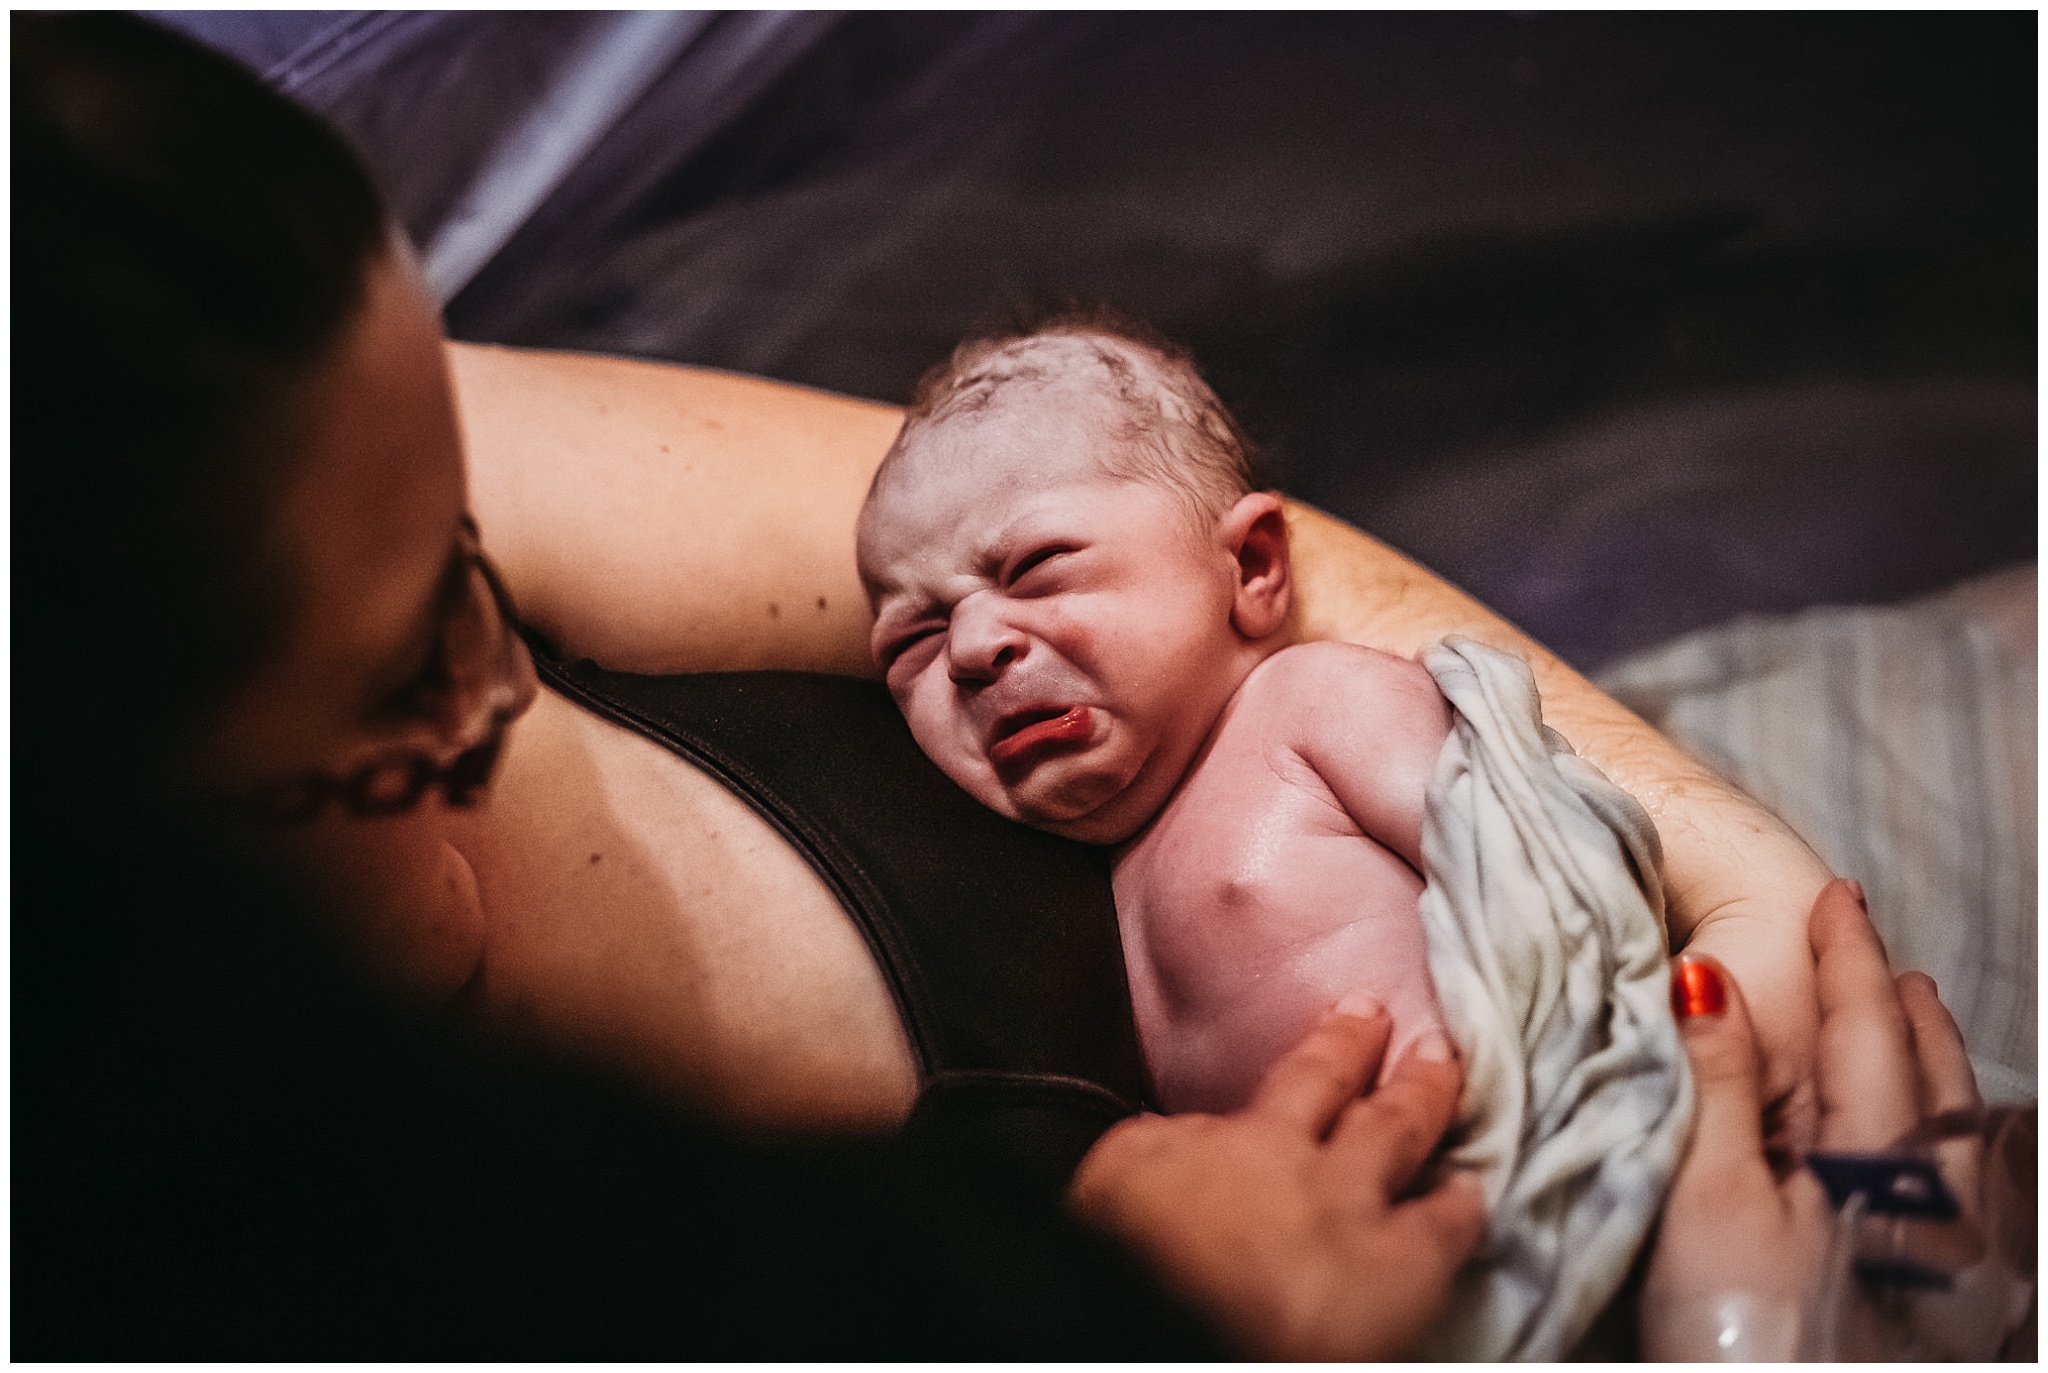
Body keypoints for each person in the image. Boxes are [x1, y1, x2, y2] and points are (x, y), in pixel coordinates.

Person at [19, 10, 1935, 1359]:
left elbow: (1241, 576)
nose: (498, 671)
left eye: (472, 554)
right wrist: (1115, 1329)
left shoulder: (278, 406)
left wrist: (1741, 939)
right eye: (378, 710)